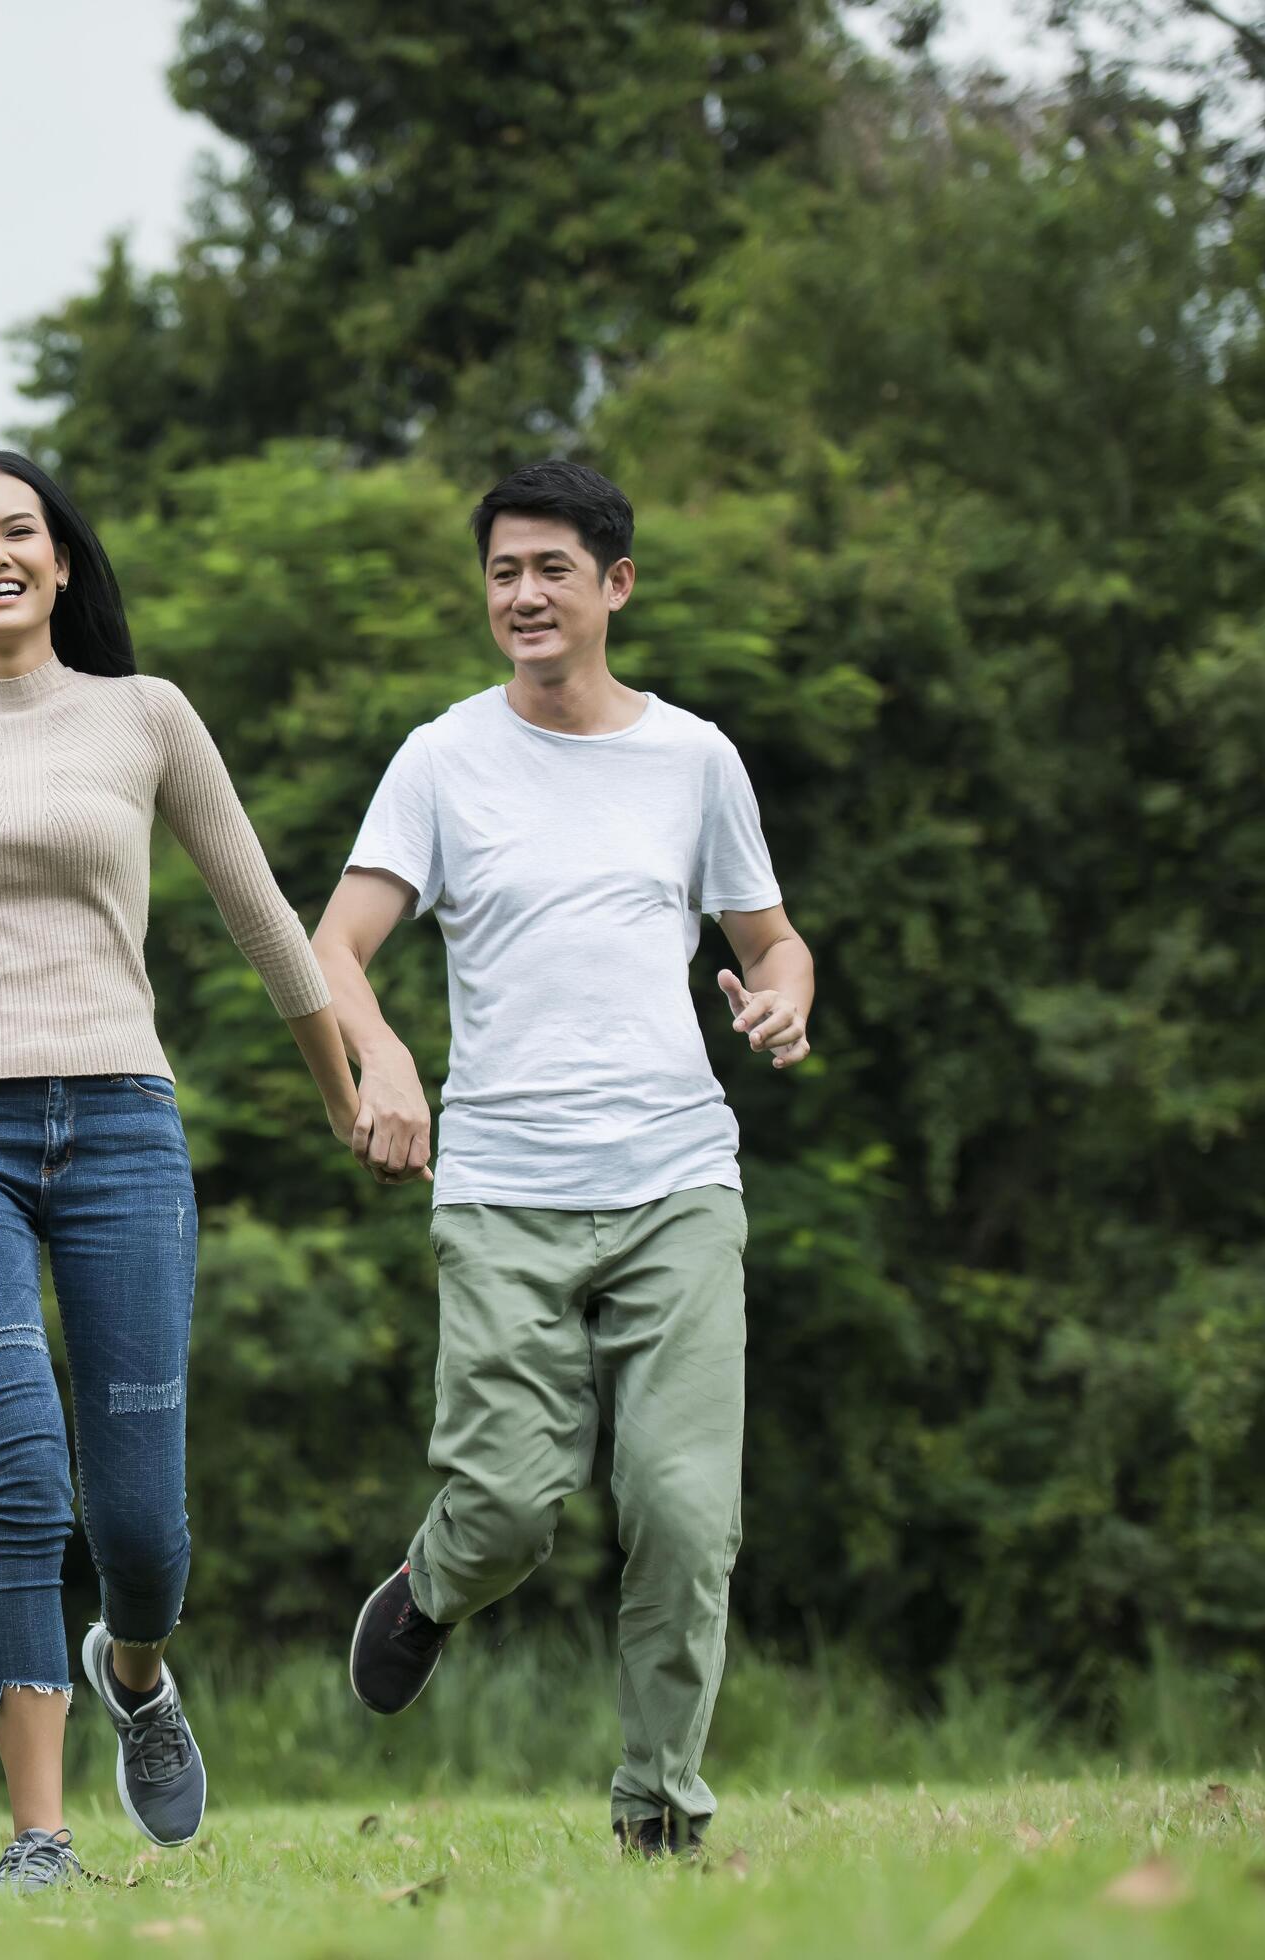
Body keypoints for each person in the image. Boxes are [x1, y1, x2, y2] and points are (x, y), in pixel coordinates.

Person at [0, 451, 362, 1893]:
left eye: (18, 532)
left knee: (141, 1533)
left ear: (59, 563)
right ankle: (37, 1837)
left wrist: (342, 1094)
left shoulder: (144, 717)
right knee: (23, 1480)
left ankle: (139, 1667)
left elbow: (262, 918)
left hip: (121, 1125)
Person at [312, 459, 816, 1859]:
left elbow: (770, 937)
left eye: (549, 569)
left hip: (674, 1180)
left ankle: (659, 1810)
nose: (523, 594)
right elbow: (333, 947)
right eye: (500, 573)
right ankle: (430, 1586)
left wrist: (783, 994)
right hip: (503, 1191)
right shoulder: (443, 758)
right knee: (515, 1505)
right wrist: (387, 1057)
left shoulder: (693, 759)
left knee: (680, 1512)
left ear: (614, 585)